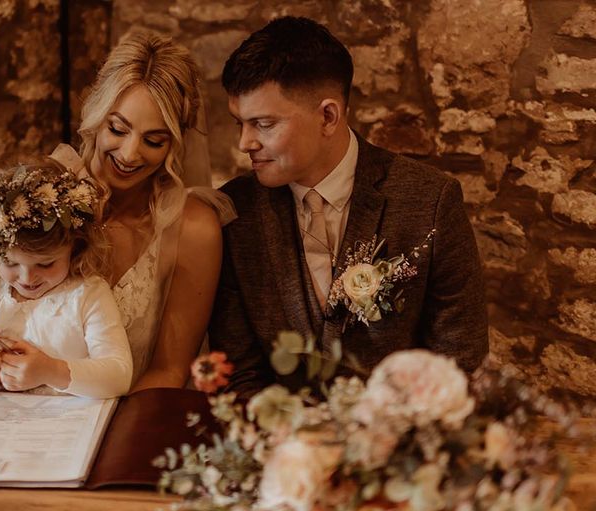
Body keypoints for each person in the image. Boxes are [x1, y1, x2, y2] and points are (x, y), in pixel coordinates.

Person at [209, 16, 489, 398]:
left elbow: (458, 360)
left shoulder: (430, 200)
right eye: (239, 123)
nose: (245, 143)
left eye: (263, 124)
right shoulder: (235, 213)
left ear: (328, 116)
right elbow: (238, 374)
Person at [49, 30, 235, 391]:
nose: (131, 154)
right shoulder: (43, 196)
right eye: (118, 129)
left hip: (132, 418)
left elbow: (168, 372)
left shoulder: (193, 230)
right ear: (95, 115)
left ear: (176, 143)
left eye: (154, 140)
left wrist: (102, 433)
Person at [0, 163, 133, 397]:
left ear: (75, 248)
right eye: (10, 263)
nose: (27, 277)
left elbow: (119, 375)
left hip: (63, 423)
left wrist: (51, 371)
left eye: (45, 264)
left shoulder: (88, 295)